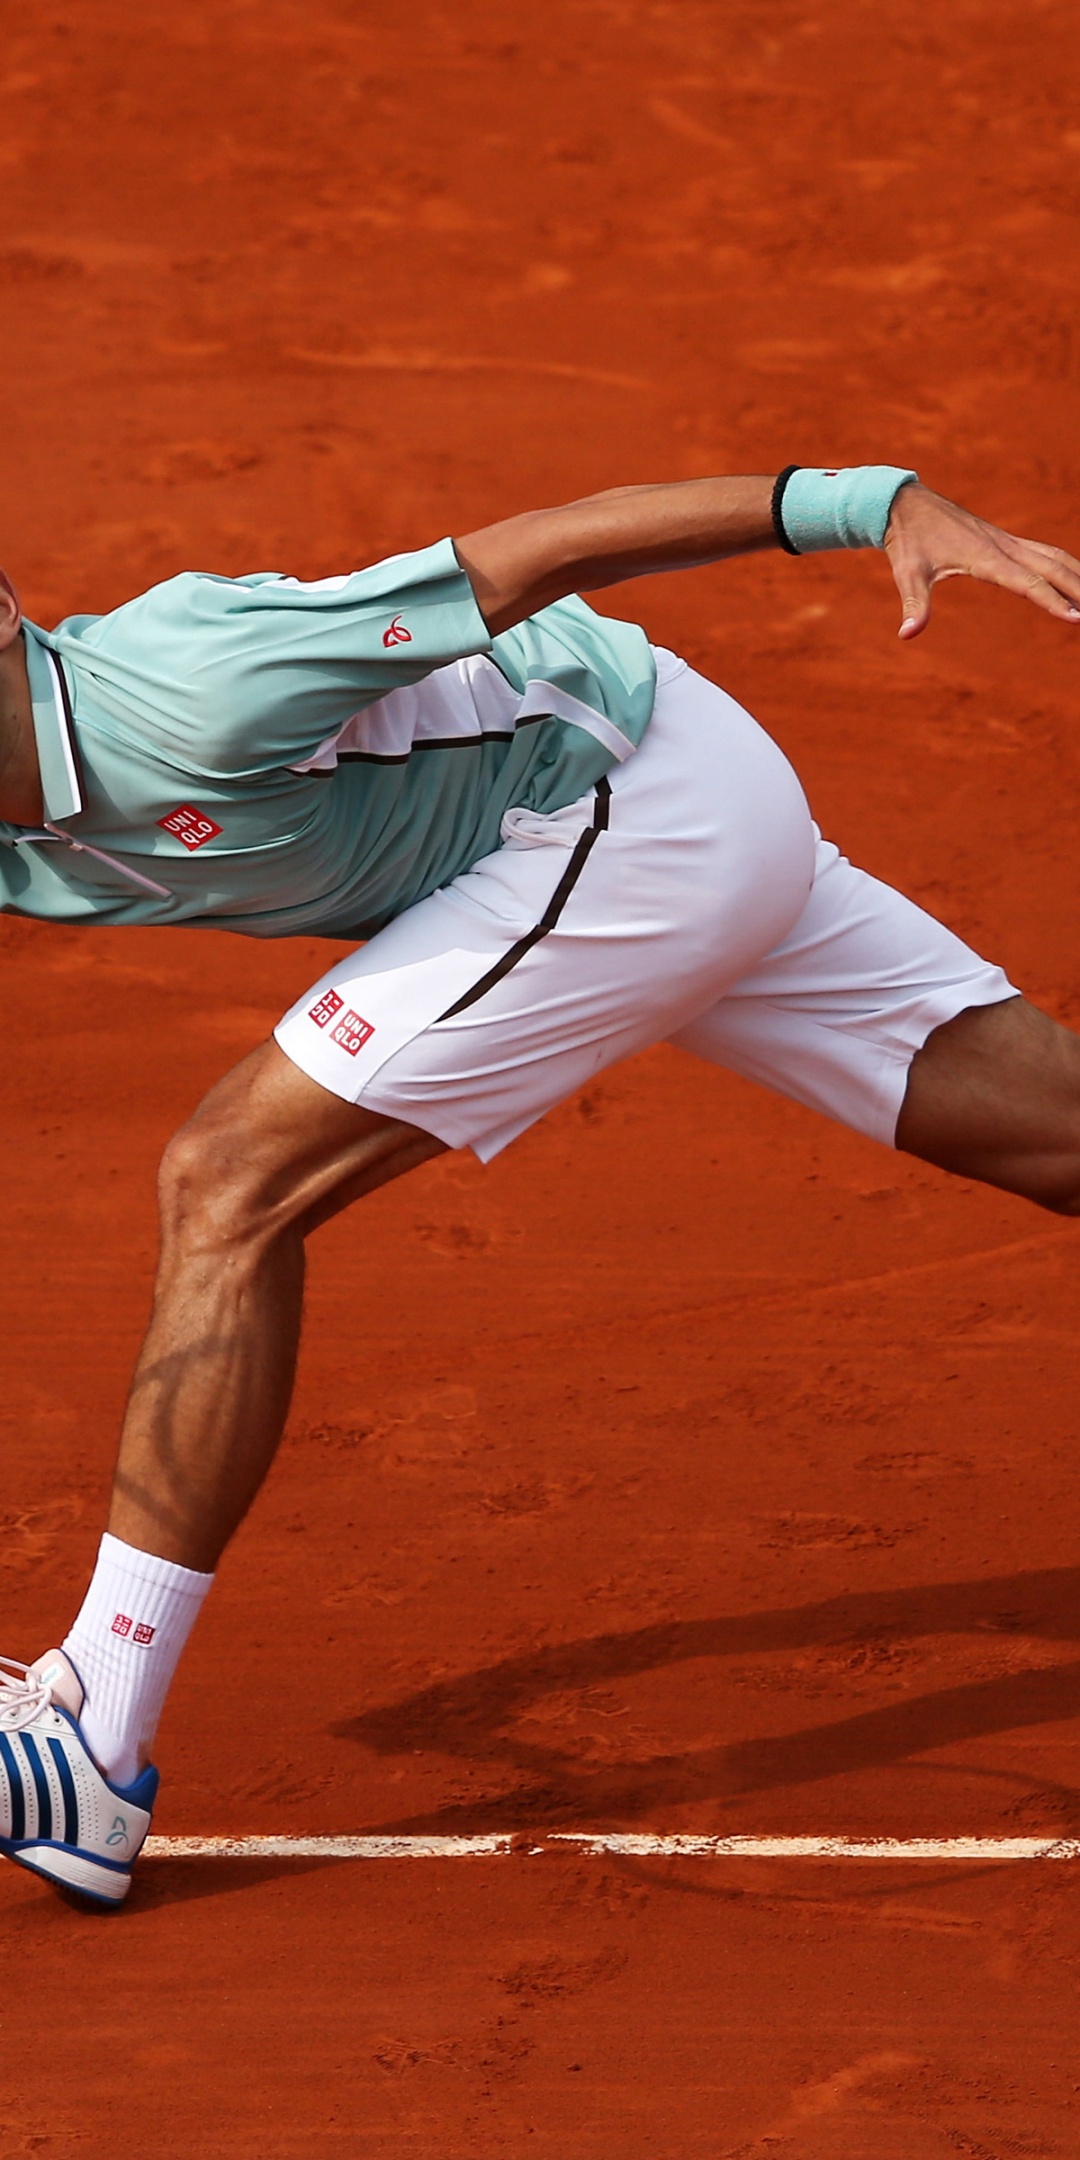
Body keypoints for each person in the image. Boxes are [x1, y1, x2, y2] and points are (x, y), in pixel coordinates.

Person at [2, 463, 1079, 1904]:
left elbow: (525, 559)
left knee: (229, 1183)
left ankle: (95, 1736)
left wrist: (862, 504)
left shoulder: (186, 685)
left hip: (627, 807)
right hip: (648, 797)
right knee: (1054, 1130)